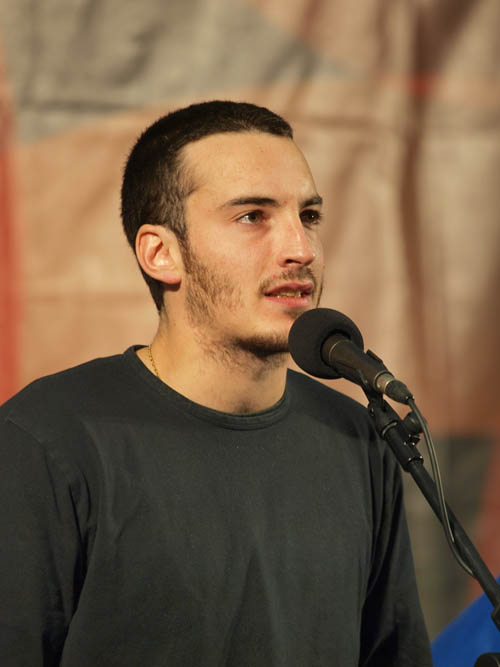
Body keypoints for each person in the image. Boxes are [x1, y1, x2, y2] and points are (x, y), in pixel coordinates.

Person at [0, 101, 433, 666]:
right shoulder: (45, 440)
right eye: (253, 216)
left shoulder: (358, 436)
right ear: (161, 253)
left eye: (308, 216)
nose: (301, 249)